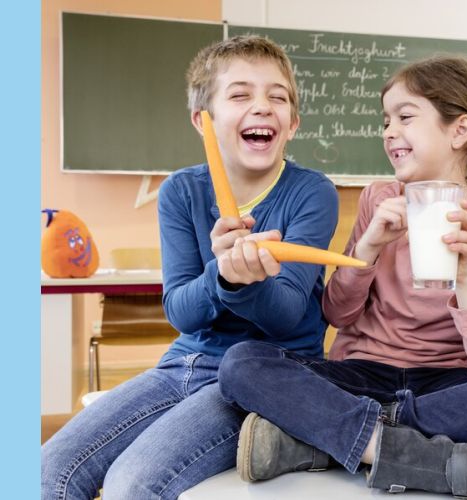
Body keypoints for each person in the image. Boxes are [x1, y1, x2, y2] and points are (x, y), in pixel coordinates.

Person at [219, 55, 467, 500]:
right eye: (386, 121)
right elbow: (337, 314)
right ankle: (420, 455)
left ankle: (337, 439)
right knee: (242, 363)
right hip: (361, 374)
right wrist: (368, 249)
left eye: (405, 117)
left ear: (459, 131)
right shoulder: (377, 200)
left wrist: (465, 279)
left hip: (445, 383)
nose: (388, 131)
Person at [40, 35, 339, 500]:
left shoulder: (312, 193)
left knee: (131, 485)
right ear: (204, 120)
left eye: (276, 97)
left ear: (293, 123)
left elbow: (283, 316)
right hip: (184, 363)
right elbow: (181, 312)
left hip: (269, 373)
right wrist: (221, 274)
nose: (262, 106)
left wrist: (244, 284)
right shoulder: (182, 190)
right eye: (240, 94)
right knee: (49, 472)